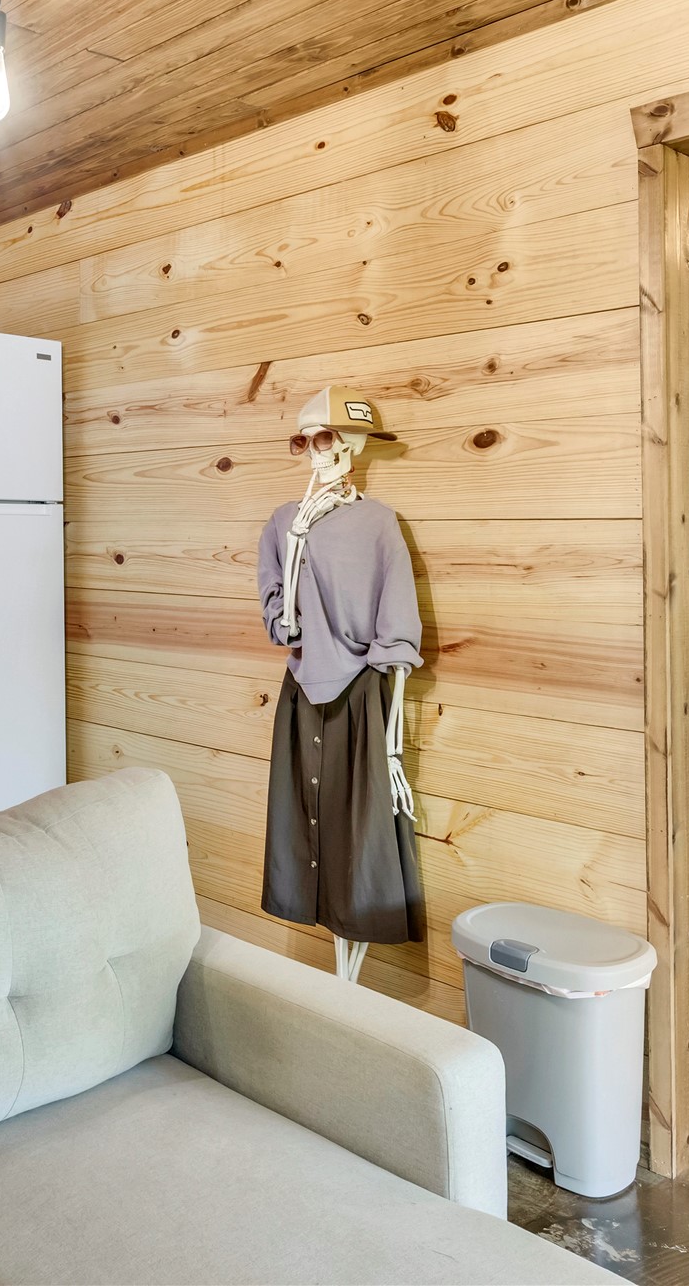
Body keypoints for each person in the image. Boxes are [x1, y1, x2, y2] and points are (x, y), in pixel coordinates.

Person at [255, 387, 424, 981]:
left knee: (363, 830)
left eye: (323, 439)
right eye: (301, 441)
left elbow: (397, 632)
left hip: (362, 694)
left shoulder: (378, 525)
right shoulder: (283, 523)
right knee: (303, 821)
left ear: (350, 444)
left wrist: (392, 744)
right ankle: (332, 988)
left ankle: (352, 983)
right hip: (302, 690)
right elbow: (275, 603)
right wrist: (284, 617)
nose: (312, 452)